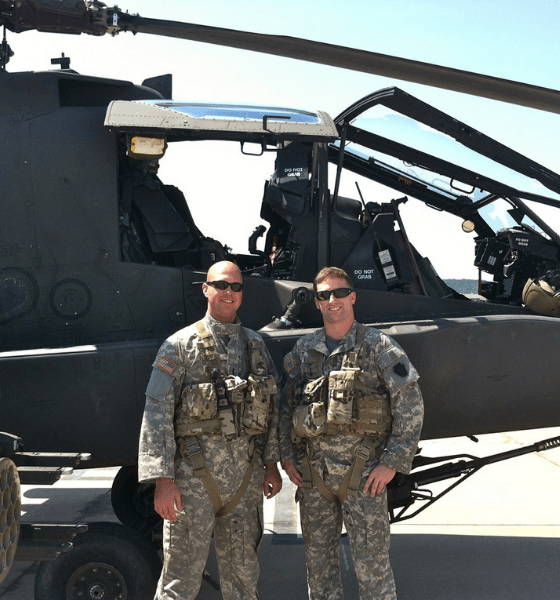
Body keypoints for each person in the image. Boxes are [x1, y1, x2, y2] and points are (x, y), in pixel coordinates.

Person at [138, 260, 282, 600]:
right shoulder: (179, 345)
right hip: (192, 483)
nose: (228, 293)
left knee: (244, 579)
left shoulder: (255, 346)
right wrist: (163, 481)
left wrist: (271, 463)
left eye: (236, 287)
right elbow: (156, 413)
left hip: (244, 484)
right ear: (206, 289)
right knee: (179, 582)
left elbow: (272, 410)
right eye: (220, 285)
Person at [279, 266, 424, 600]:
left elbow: (410, 404)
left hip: (364, 477)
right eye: (324, 295)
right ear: (316, 303)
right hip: (314, 478)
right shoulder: (304, 350)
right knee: (319, 572)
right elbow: (285, 408)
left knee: (372, 570)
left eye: (340, 293)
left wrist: (392, 462)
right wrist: (287, 456)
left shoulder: (378, 347)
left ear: (352, 296)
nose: (333, 301)